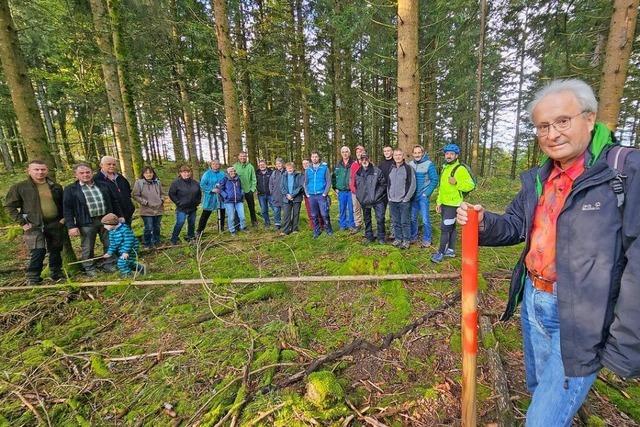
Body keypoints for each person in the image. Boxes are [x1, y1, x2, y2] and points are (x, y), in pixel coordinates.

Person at [457, 79, 640, 426]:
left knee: (541, 419)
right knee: (541, 390)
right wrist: (482, 224)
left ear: (590, 118)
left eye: (562, 121)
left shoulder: (625, 171)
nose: (552, 133)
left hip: (584, 317)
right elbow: (515, 224)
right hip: (534, 301)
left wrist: (625, 345)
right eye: (543, 126)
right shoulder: (540, 178)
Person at [5, 160, 66, 284]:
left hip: (55, 223)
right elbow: (9, 206)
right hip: (33, 225)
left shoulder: (55, 186)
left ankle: (56, 274)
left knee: (55, 249)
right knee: (38, 250)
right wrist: (22, 222)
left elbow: (64, 203)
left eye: (43, 169)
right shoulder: (20, 187)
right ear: (29, 171)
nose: (40, 172)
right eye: (36, 169)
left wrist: (63, 218)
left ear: (47, 170)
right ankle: (33, 277)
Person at [63, 162, 123, 277]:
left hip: (106, 220)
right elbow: (67, 209)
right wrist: (71, 226)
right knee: (87, 247)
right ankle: (89, 268)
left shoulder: (103, 185)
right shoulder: (71, 189)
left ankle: (109, 264)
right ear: (76, 175)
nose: (85, 175)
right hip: (86, 222)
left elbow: (114, 201)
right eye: (82, 173)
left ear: (92, 172)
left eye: (87, 172)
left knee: (109, 243)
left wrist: (119, 216)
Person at [431, 142, 475, 263]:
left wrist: (456, 182)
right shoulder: (445, 168)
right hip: (445, 204)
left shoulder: (460, 169)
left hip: (454, 204)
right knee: (452, 228)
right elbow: (442, 188)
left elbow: (470, 185)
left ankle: (440, 253)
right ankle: (450, 250)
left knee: (445, 229)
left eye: (451, 154)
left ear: (456, 156)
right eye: (447, 154)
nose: (449, 156)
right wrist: (439, 202)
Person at [408, 145, 439, 248]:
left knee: (425, 219)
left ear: (422, 153)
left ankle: (427, 239)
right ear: (412, 154)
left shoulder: (429, 164)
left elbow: (435, 180)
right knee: (413, 218)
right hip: (413, 196)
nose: (417, 155)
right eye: (415, 153)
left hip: (423, 196)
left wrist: (427, 193)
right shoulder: (410, 164)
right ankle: (413, 236)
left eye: (419, 152)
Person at [354, 152, 387, 244]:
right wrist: (359, 197)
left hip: (377, 200)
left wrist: (376, 196)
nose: (364, 161)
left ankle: (381, 237)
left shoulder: (377, 171)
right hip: (364, 200)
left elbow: (383, 185)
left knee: (380, 218)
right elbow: (356, 186)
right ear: (360, 161)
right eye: (362, 159)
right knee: (367, 219)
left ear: (369, 159)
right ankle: (369, 236)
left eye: (366, 159)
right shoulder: (358, 173)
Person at [387, 149, 416, 249]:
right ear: (393, 156)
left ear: (403, 156)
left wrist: (406, 198)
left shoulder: (408, 168)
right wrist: (389, 197)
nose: (398, 157)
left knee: (405, 222)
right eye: (396, 155)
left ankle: (406, 240)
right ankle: (398, 239)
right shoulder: (391, 168)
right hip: (392, 201)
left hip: (404, 201)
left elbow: (413, 184)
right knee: (396, 222)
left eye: (400, 155)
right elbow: (389, 184)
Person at [94, 156, 135, 225]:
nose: (112, 166)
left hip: (127, 213)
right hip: (110, 217)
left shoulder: (120, 177)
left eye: (113, 164)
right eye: (109, 164)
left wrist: (131, 207)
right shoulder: (96, 179)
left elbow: (128, 191)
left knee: (127, 233)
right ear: (101, 165)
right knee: (115, 235)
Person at [101, 213, 145, 277]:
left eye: (106, 225)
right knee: (129, 262)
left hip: (131, 249)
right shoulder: (111, 231)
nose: (104, 227)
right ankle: (141, 268)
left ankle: (128, 276)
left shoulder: (124, 229)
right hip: (123, 249)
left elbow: (129, 241)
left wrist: (125, 252)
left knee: (121, 263)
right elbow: (113, 244)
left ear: (112, 224)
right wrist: (109, 252)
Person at [132, 166, 165, 249]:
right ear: (143, 174)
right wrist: (144, 202)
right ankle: (147, 244)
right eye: (146, 173)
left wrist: (162, 199)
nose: (148, 174)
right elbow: (135, 195)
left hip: (158, 209)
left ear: (153, 173)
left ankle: (156, 242)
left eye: (150, 172)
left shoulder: (158, 182)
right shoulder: (139, 183)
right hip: (146, 210)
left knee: (156, 227)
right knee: (148, 227)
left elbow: (162, 193)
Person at [168, 165, 201, 245]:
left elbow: (199, 193)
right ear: (181, 173)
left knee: (192, 222)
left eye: (188, 172)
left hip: (193, 207)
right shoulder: (176, 183)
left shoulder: (195, 182)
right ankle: (174, 239)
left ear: (190, 173)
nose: (186, 174)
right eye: (184, 172)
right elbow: (171, 194)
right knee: (180, 222)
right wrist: (178, 202)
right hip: (181, 208)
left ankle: (190, 237)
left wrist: (197, 202)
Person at [304, 151, 333, 238]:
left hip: (321, 195)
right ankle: (316, 230)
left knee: (324, 213)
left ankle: (328, 229)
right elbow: (305, 183)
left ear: (318, 158)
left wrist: (325, 193)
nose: (314, 158)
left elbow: (328, 181)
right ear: (311, 158)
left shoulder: (324, 168)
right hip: (312, 196)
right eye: (313, 157)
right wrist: (307, 194)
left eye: (316, 157)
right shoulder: (308, 170)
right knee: (314, 214)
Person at [197, 159, 226, 235]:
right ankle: (199, 231)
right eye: (213, 164)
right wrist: (211, 189)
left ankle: (221, 228)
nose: (215, 165)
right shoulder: (207, 174)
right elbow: (202, 185)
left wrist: (221, 189)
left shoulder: (222, 174)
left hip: (220, 197)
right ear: (211, 165)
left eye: (217, 164)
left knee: (221, 212)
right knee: (206, 213)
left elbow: (225, 184)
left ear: (219, 165)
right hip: (210, 197)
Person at [332, 146, 356, 231]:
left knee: (351, 208)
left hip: (351, 191)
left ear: (349, 153)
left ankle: (351, 225)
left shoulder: (353, 164)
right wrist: (335, 188)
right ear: (341, 154)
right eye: (343, 152)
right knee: (342, 208)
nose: (345, 153)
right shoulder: (338, 165)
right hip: (341, 191)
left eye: (346, 152)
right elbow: (334, 177)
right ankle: (342, 225)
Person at [217, 166, 246, 235]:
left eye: (233, 171)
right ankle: (232, 230)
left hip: (239, 201)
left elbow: (241, 187)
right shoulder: (224, 179)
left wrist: (242, 193)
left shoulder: (238, 179)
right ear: (227, 172)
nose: (232, 172)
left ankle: (243, 227)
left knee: (242, 216)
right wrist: (226, 196)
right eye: (230, 171)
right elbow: (220, 189)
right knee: (231, 217)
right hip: (229, 202)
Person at [233, 151, 257, 227]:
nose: (243, 157)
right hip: (238, 191)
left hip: (248, 191)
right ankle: (238, 224)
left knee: (251, 207)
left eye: (244, 156)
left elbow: (254, 179)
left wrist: (252, 190)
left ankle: (254, 222)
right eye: (241, 156)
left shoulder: (250, 167)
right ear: (238, 157)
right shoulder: (235, 166)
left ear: (246, 157)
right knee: (237, 208)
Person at [280, 162, 304, 235]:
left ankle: (294, 229)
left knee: (296, 214)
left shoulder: (298, 175)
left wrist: (292, 195)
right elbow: (282, 187)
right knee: (286, 214)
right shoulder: (283, 175)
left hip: (297, 198)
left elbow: (300, 186)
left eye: (291, 168)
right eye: (288, 168)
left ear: (293, 168)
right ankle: (285, 230)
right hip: (286, 198)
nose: (289, 169)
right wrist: (287, 195)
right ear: (286, 169)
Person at [301, 158, 324, 230]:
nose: (305, 165)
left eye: (306, 163)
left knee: (319, 211)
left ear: (310, 163)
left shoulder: (314, 171)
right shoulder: (302, 174)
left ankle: (322, 225)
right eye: (303, 164)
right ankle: (313, 226)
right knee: (310, 211)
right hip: (306, 196)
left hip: (316, 194)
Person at [378, 146, 395, 239]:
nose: (387, 152)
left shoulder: (395, 163)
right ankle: (382, 232)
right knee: (381, 213)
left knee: (393, 214)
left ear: (392, 152)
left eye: (388, 151)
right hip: (383, 193)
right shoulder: (381, 164)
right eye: (385, 151)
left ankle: (393, 232)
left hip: (393, 192)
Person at [349, 145, 365, 233]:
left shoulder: (367, 163)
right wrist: (352, 188)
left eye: (360, 151)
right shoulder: (353, 165)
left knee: (366, 208)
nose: (359, 153)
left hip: (365, 192)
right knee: (356, 208)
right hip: (355, 191)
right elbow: (351, 178)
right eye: (357, 152)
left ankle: (368, 225)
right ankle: (358, 224)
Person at [268, 158, 285, 230]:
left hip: (284, 195)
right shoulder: (274, 173)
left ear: (283, 164)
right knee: (276, 210)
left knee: (286, 210)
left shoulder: (286, 172)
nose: (278, 165)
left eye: (279, 163)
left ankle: (286, 223)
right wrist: (271, 191)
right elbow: (270, 183)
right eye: (277, 164)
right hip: (275, 195)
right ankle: (277, 224)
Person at [256, 159, 274, 227]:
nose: (262, 166)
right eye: (260, 165)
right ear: (258, 166)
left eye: (263, 164)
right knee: (264, 210)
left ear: (266, 165)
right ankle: (267, 223)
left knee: (274, 208)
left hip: (270, 194)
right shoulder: (257, 173)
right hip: (261, 195)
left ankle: (277, 222)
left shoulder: (271, 172)